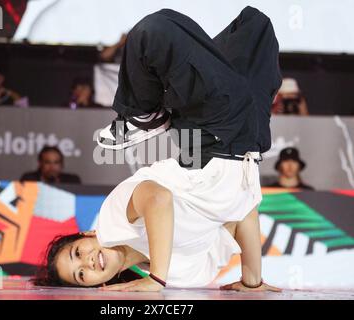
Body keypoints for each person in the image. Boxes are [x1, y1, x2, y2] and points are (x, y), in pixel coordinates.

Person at [33, 7, 283, 292]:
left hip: (207, 134)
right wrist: (253, 280)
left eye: (77, 253)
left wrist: (156, 279)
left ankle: (143, 111)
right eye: (80, 275)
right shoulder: (186, 276)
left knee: (153, 32)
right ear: (96, 284)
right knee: (256, 26)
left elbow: (158, 199)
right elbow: (242, 214)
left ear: (87, 235)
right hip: (250, 142)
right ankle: (186, 84)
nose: (87, 263)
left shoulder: (113, 221)